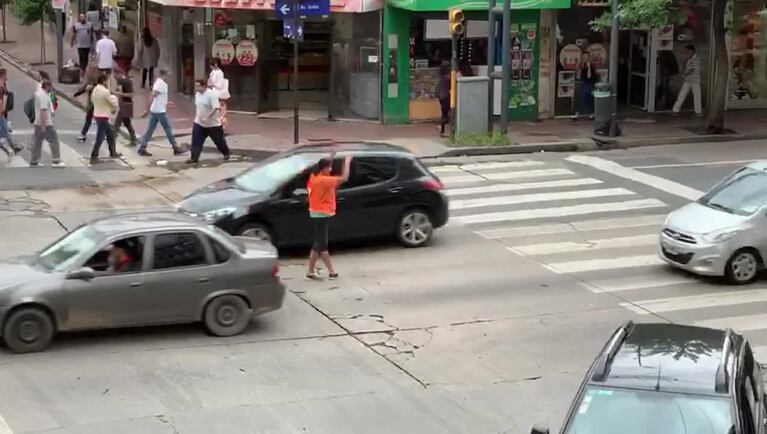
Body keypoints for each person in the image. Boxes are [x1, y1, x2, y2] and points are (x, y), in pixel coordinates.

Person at [305, 155, 352, 281]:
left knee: (318, 242)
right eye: (330, 167)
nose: (331, 170)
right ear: (325, 168)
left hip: (315, 211)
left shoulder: (314, 177)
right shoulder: (325, 180)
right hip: (322, 213)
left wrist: (332, 154)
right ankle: (330, 271)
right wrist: (347, 162)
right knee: (321, 244)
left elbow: (323, 166)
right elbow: (345, 178)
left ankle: (312, 271)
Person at [138, 69, 185, 157]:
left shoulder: (159, 82)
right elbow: (152, 95)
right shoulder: (161, 84)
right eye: (169, 74)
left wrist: (166, 103)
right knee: (167, 128)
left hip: (155, 110)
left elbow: (158, 97)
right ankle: (175, 147)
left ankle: (142, 147)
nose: (170, 77)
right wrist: (146, 110)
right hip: (160, 111)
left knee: (150, 130)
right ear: (165, 75)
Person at [189, 79, 230, 164]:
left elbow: (216, 107)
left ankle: (226, 153)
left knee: (219, 141)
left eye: (198, 86)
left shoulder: (211, 95)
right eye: (195, 86)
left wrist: (207, 117)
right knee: (196, 140)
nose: (196, 88)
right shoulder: (197, 94)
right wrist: (200, 117)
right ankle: (194, 157)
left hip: (213, 124)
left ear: (204, 86)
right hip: (199, 123)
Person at [30, 80, 64, 168]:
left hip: (38, 122)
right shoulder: (44, 97)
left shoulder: (38, 94)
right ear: (48, 86)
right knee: (54, 140)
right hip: (46, 123)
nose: (51, 89)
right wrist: (44, 126)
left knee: (37, 142)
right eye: (51, 87)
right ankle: (56, 160)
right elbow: (43, 111)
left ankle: (34, 161)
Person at [89, 73, 119, 164]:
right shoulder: (105, 92)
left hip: (97, 113)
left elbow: (92, 100)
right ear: (104, 81)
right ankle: (94, 156)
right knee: (100, 137)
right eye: (107, 80)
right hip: (104, 116)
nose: (108, 82)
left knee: (110, 133)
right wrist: (115, 98)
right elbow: (113, 103)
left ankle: (113, 152)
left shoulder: (95, 89)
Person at [672, 44, 702, 116]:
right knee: (682, 95)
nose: (687, 52)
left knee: (696, 97)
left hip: (694, 81)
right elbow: (686, 67)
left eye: (688, 51)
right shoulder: (690, 58)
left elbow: (693, 69)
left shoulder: (696, 59)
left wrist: (685, 74)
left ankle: (698, 112)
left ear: (692, 51)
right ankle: (675, 110)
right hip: (688, 80)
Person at [74, 63, 99, 142]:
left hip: (98, 102)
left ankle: (105, 133)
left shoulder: (98, 80)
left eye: (89, 70)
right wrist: (77, 93)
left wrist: (92, 88)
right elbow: (85, 87)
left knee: (100, 119)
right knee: (89, 117)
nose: (87, 72)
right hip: (91, 101)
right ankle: (83, 134)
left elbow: (102, 89)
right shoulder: (90, 81)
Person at [114, 67, 137, 146]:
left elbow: (131, 94)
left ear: (120, 74)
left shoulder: (127, 82)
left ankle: (113, 137)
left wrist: (121, 94)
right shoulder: (119, 81)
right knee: (126, 123)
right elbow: (118, 91)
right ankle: (133, 138)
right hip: (122, 104)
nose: (115, 77)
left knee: (118, 122)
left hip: (126, 104)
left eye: (116, 75)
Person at [572, 51, 597, 120]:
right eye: (584, 57)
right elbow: (579, 75)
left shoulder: (591, 65)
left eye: (586, 57)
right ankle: (577, 114)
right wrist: (578, 67)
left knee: (584, 99)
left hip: (589, 84)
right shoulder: (582, 65)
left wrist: (589, 67)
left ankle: (592, 113)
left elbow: (589, 76)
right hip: (583, 83)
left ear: (589, 57)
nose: (585, 58)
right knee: (579, 98)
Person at [207, 58, 229, 129]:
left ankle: (222, 126)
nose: (210, 66)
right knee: (216, 111)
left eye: (211, 65)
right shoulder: (214, 71)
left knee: (221, 110)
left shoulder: (219, 73)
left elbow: (219, 85)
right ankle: (218, 125)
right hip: (214, 93)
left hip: (218, 94)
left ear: (215, 64)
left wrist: (212, 84)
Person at [435, 62, 450, 137]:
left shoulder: (441, 76)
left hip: (441, 97)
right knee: (447, 115)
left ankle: (442, 130)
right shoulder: (447, 77)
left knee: (444, 114)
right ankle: (441, 127)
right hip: (446, 97)